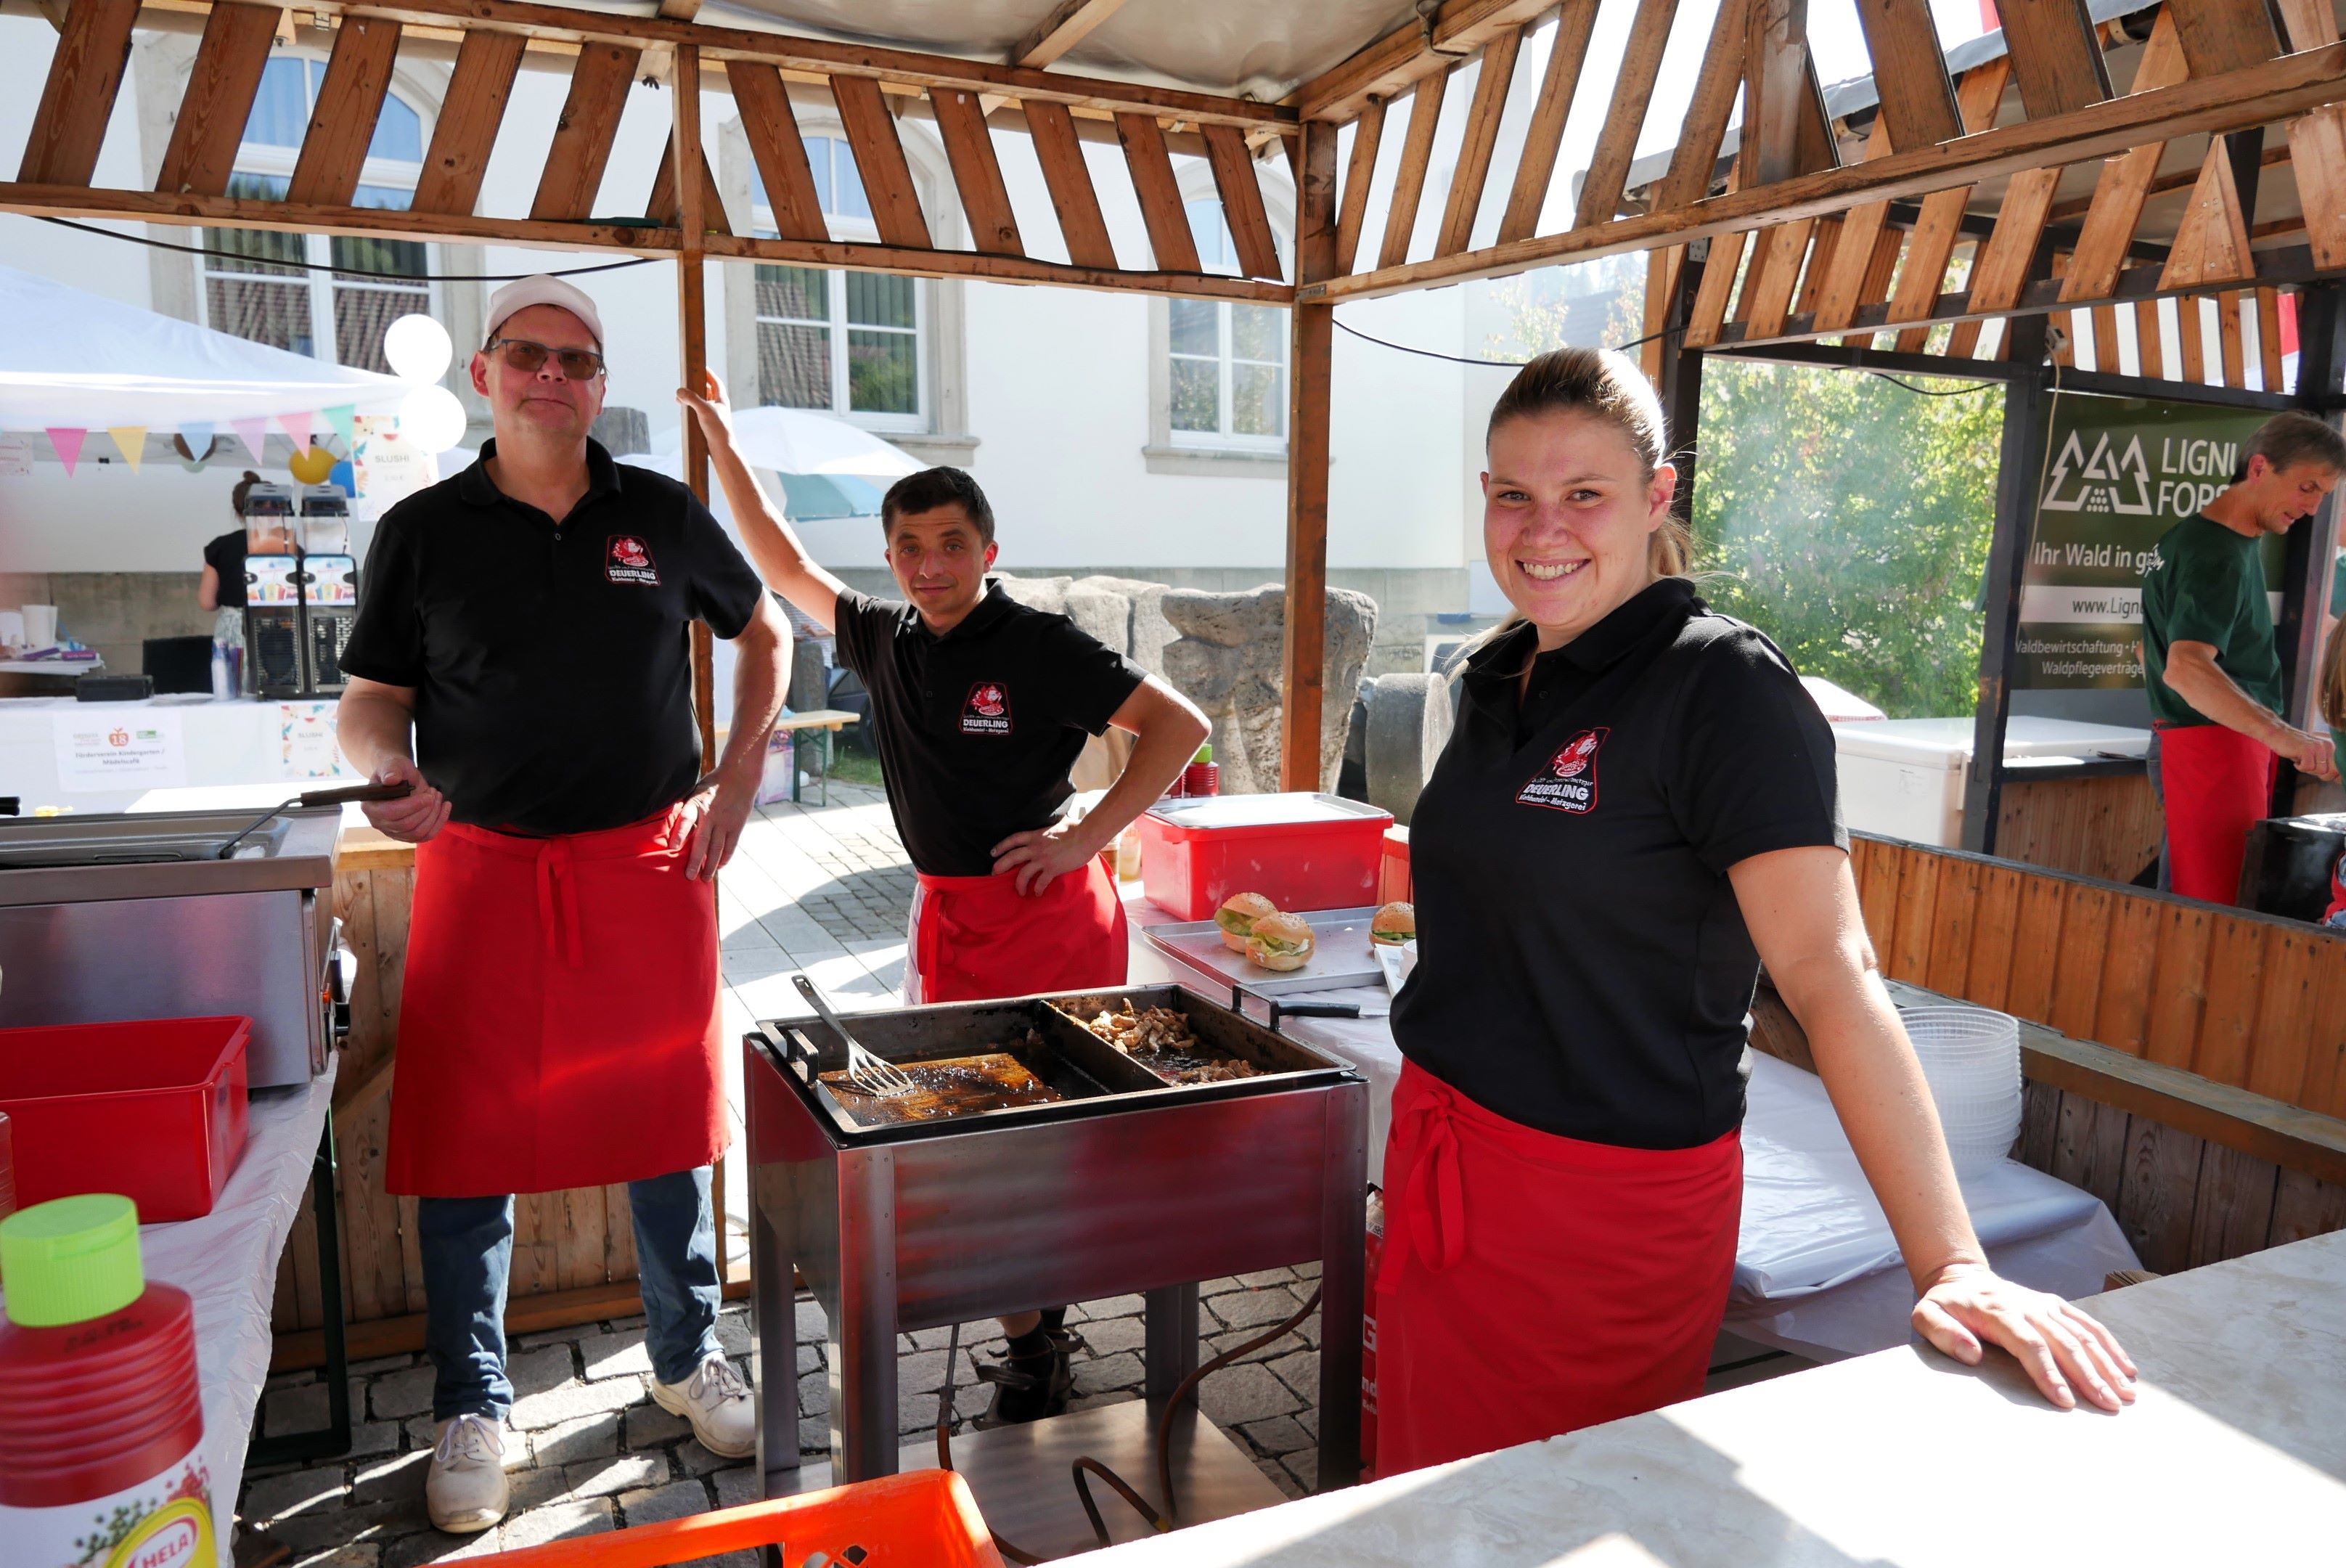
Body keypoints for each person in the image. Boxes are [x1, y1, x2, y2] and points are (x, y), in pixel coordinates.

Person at [1376, 348, 2137, 1477]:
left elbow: (1832, 974)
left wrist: (1950, 1264)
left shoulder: (1721, 688)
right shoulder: (1502, 677)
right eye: (1513, 495)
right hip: (1453, 1165)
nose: (1544, 528)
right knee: (1426, 1502)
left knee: (1555, 1516)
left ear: (1656, 496)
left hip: (1601, 1217)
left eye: (1583, 493)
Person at [335, 277, 788, 1534]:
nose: (555, 376)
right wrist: (387, 767)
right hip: (480, 863)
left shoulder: (660, 512)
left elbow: (770, 636)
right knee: (468, 1143)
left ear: (599, 385)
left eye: (579, 360)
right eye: (529, 355)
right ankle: (472, 1401)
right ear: (485, 375)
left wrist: (739, 778)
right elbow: (373, 694)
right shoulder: (422, 530)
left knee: (664, 1127)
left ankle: (684, 1353)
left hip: (645, 864)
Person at [677, 372, 1208, 1425]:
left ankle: (1041, 1331)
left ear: (988, 550)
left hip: (1051, 920)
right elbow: (780, 559)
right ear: (892, 556)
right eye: (910, 547)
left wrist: (1088, 835)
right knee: (976, 1133)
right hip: (951, 921)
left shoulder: (1041, 643)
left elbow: (1179, 727)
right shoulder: (884, 637)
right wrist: (726, 446)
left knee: (1044, 1141)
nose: (930, 565)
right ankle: (1034, 1330)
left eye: (952, 543)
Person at [2140, 412, 2346, 904]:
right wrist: (2286, 736)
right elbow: (2185, 669)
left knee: (2204, 900)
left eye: (2323, 495)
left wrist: (2288, 737)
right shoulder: (2217, 552)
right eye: (2307, 488)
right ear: (2259, 468)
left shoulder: (2213, 539)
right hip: (2210, 747)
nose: (2313, 508)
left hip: (2218, 744)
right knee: (2212, 908)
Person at [197, 471, 263, 666]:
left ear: (237, 511)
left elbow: (207, 602)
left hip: (233, 632)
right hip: (279, 631)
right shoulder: (288, 546)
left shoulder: (221, 547)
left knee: (233, 689)